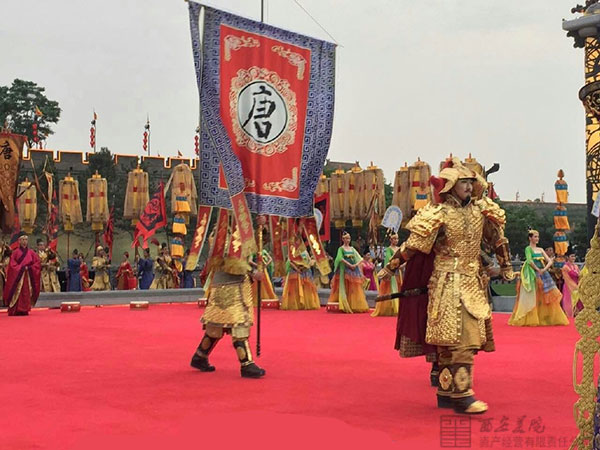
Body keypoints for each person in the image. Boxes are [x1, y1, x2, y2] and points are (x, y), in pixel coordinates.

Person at [380, 157, 515, 414]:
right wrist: (391, 266)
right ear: (451, 185)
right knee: (457, 339)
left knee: (460, 338)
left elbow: (498, 238)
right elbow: (413, 245)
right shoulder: (439, 213)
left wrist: (506, 265)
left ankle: (446, 392)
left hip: (472, 280)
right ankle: (462, 395)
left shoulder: (481, 210)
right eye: (463, 182)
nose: (468, 186)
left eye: (470, 181)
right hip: (446, 281)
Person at [190, 214, 266, 378]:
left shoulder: (235, 230)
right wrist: (252, 271)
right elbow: (230, 257)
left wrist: (261, 228)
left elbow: (246, 251)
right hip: (229, 285)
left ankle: (200, 356)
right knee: (239, 323)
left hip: (234, 284)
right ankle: (246, 363)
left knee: (216, 326)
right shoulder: (222, 232)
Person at [508, 229, 569, 327]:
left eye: (538, 237)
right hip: (532, 273)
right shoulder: (528, 249)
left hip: (542, 274)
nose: (537, 239)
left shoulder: (540, 249)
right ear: (530, 238)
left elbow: (550, 261)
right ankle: (532, 316)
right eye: (535, 237)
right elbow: (529, 261)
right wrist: (538, 269)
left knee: (545, 294)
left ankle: (544, 317)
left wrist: (544, 269)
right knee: (533, 295)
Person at [328, 231, 370, 313]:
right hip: (345, 270)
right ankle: (344, 304)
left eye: (349, 238)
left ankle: (353, 305)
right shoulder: (341, 249)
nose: (347, 240)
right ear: (343, 239)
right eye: (346, 238)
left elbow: (359, 258)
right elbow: (340, 258)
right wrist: (349, 265)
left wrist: (355, 265)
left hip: (353, 270)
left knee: (353, 288)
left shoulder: (352, 249)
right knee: (345, 286)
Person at [4, 232, 41, 316]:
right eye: (23, 240)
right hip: (18, 277)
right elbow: (12, 265)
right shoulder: (15, 253)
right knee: (18, 292)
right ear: (19, 241)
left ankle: (25, 309)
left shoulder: (31, 253)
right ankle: (16, 309)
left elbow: (37, 263)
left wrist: (30, 268)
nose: (24, 242)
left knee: (26, 292)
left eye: (26, 240)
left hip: (28, 276)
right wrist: (22, 268)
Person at [281, 236, 320, 310]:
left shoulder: (303, 251)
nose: (297, 242)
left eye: (298, 241)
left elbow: (307, 261)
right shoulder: (292, 250)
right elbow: (290, 261)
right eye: (295, 241)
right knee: (294, 287)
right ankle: (295, 303)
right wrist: (297, 268)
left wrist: (304, 267)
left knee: (306, 286)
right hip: (294, 270)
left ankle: (305, 303)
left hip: (304, 271)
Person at [373, 233, 402, 317]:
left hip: (398, 272)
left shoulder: (399, 249)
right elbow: (389, 261)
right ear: (391, 240)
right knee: (390, 289)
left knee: (398, 288)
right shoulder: (389, 249)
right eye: (394, 239)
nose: (396, 240)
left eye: (397, 239)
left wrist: (402, 265)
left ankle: (398, 307)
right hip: (392, 272)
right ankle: (392, 308)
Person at [562, 249, 581, 317]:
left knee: (577, 302)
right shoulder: (565, 267)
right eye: (572, 256)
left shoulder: (576, 266)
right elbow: (573, 274)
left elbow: (579, 275)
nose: (573, 258)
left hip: (576, 287)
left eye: (574, 256)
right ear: (567, 257)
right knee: (568, 303)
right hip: (568, 287)